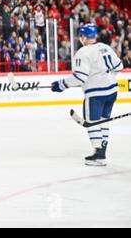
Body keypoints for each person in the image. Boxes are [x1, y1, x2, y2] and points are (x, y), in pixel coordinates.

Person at [51, 24, 123, 166]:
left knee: (93, 122)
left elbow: (80, 78)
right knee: (104, 120)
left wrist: (62, 84)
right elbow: (119, 67)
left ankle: (98, 154)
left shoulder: (83, 52)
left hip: (96, 94)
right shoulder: (105, 47)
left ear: (83, 37)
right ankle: (102, 149)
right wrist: (105, 77)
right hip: (112, 91)